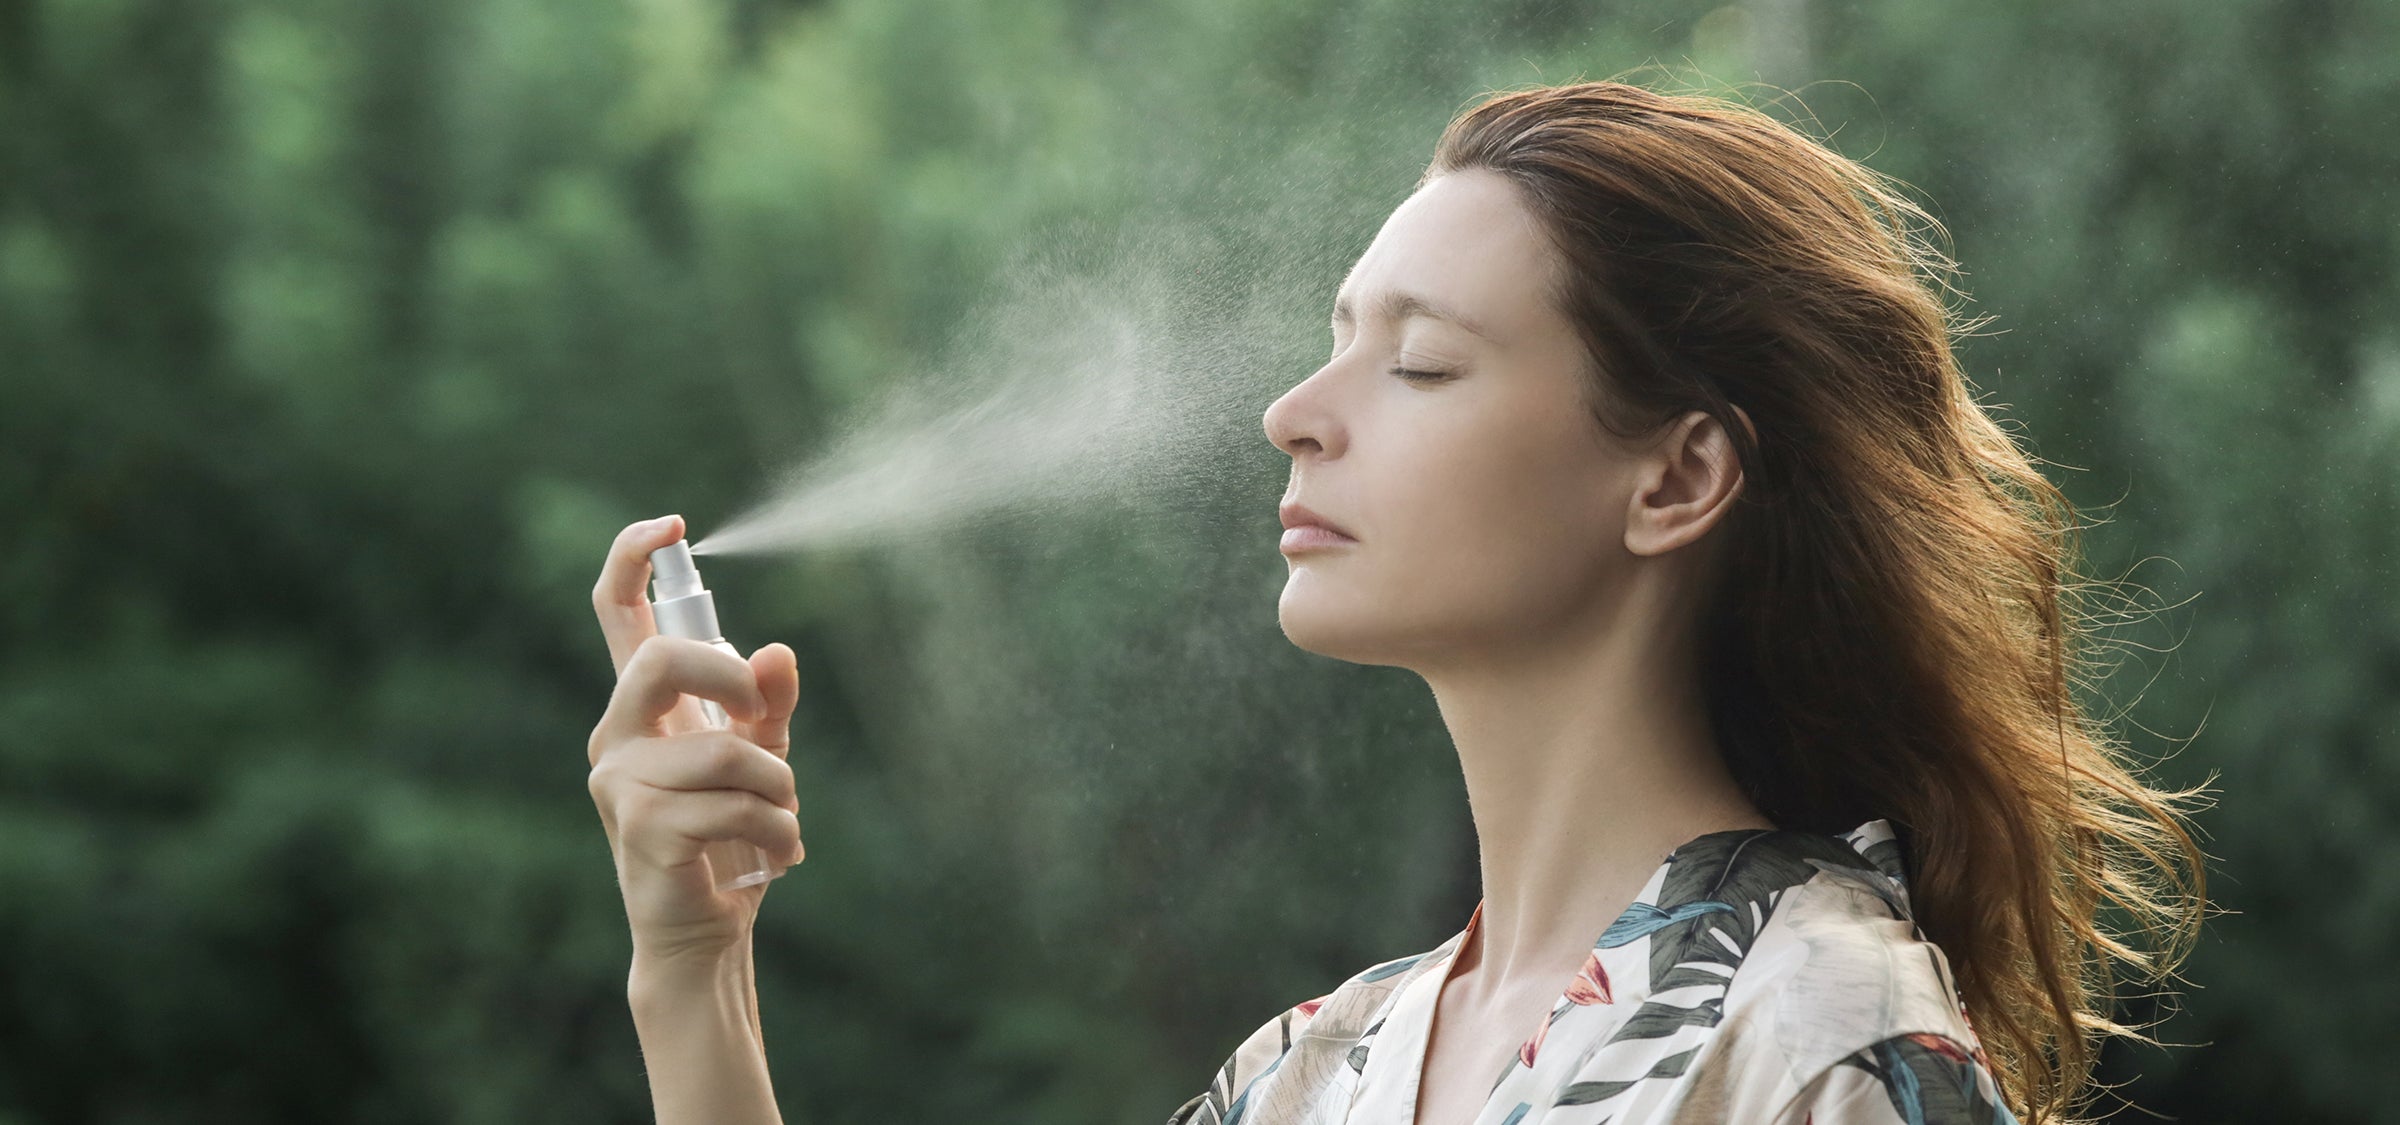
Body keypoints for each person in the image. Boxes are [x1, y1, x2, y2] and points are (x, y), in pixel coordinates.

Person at [581, 80, 2207, 1125]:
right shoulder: (1311, 1072)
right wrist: (696, 969)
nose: (1298, 407)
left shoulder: (1825, 1050)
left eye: (1421, 362)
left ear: (1676, 476)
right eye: (1333, 335)